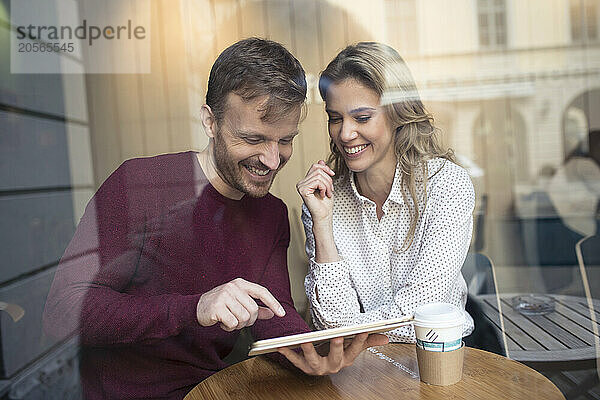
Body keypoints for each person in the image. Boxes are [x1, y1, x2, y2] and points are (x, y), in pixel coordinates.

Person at [43, 38, 387, 400]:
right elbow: (62, 312)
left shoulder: (272, 214)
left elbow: (274, 313)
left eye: (285, 141)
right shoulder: (139, 185)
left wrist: (314, 353)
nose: (272, 161)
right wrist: (195, 308)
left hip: (212, 390)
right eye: (253, 139)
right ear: (210, 121)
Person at [297, 42, 475, 342]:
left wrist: (351, 329)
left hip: (437, 358)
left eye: (362, 118)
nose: (345, 133)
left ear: (397, 114)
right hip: (357, 368)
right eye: (335, 118)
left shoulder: (447, 185)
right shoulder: (322, 202)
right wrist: (323, 227)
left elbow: (422, 310)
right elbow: (329, 323)